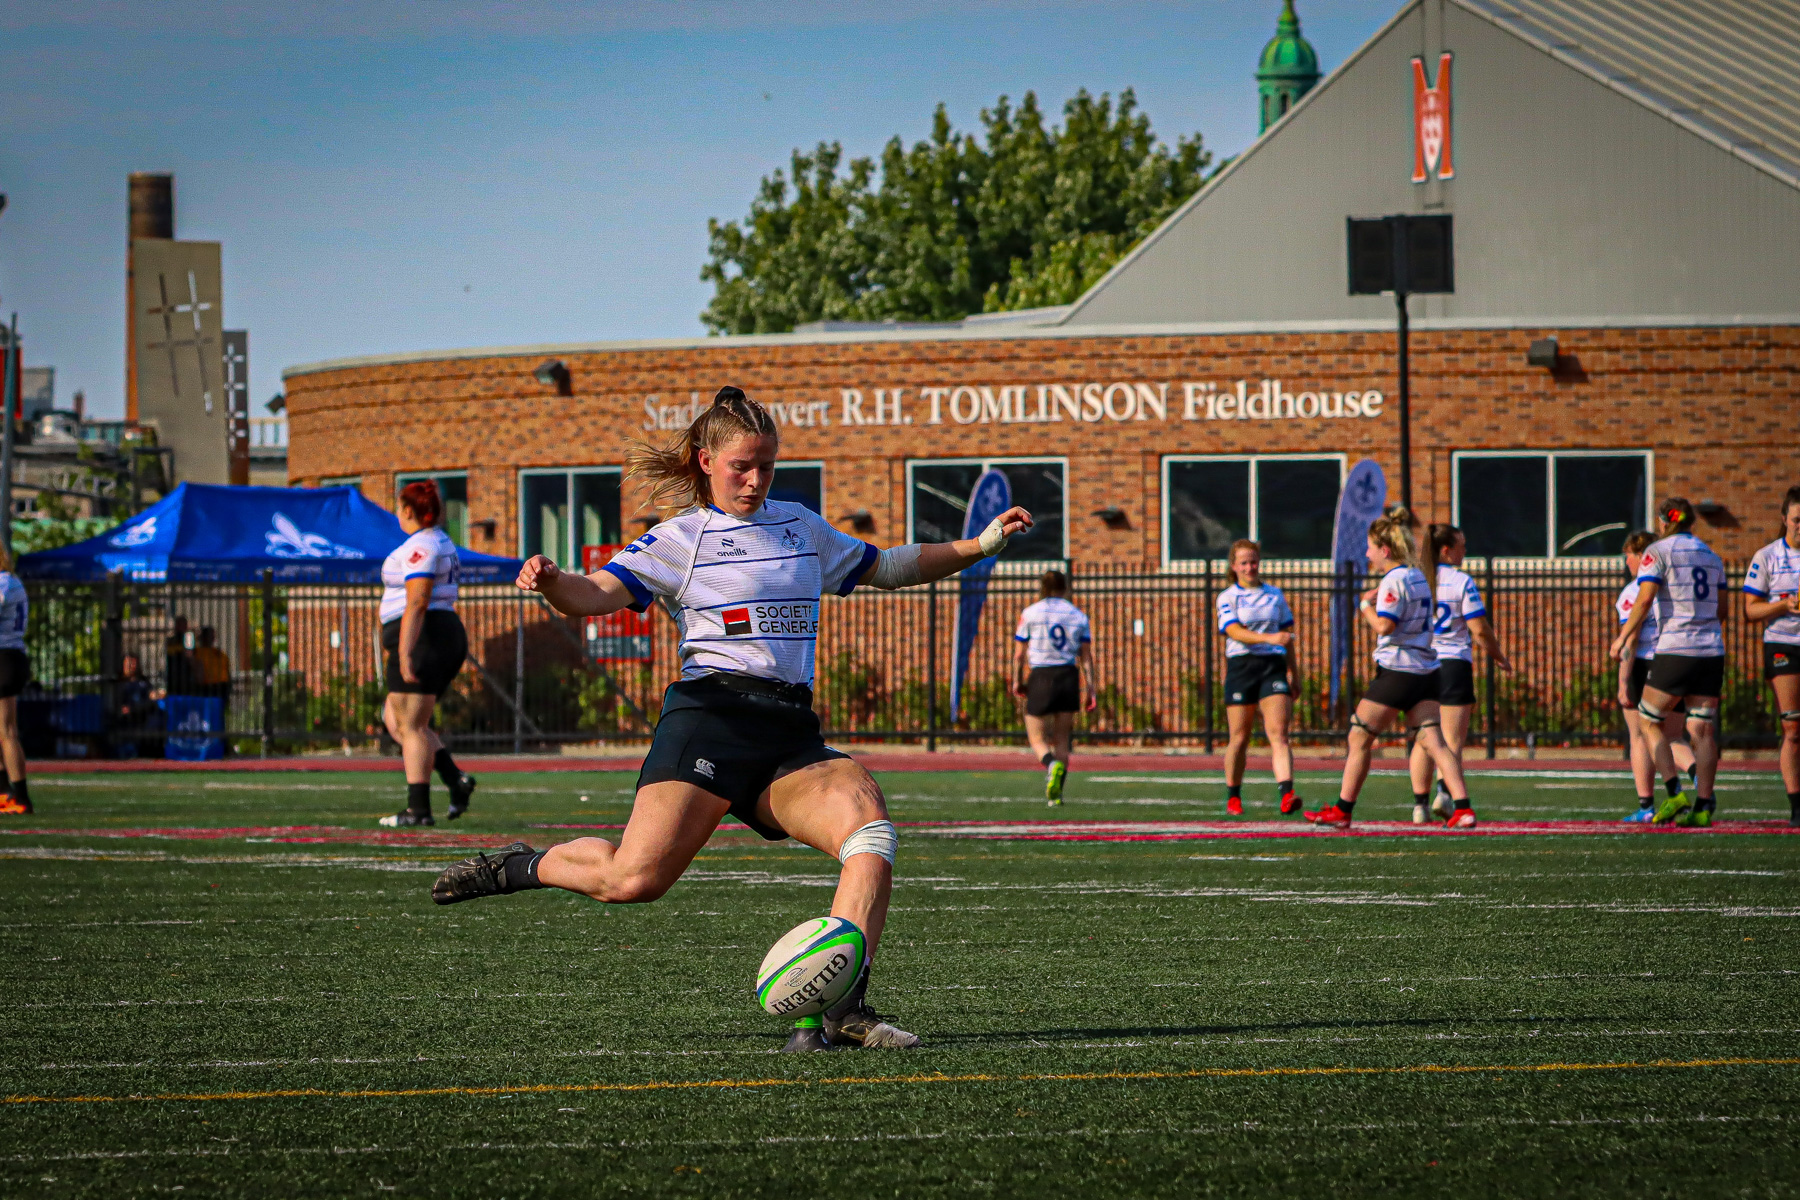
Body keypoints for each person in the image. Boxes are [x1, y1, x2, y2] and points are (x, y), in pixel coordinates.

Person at [431, 386, 1034, 1052]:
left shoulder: (801, 527)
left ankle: (844, 1007)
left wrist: (980, 543)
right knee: (633, 880)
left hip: (787, 732)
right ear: (705, 460)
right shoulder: (678, 539)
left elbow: (888, 565)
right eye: (741, 465)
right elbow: (593, 594)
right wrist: (549, 582)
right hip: (710, 720)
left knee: (870, 832)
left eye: (766, 466)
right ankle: (521, 867)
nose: (754, 479)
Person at [1307, 507, 1476, 830]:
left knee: (1359, 736)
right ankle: (1463, 808)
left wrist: (1365, 606)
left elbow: (1385, 626)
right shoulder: (1418, 576)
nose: (1367, 554)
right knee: (1434, 742)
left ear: (1385, 550)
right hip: (1427, 670)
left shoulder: (1393, 579)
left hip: (1398, 670)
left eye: (1370, 548)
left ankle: (1342, 811)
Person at [1609, 498, 1726, 827]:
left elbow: (1645, 598)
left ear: (1663, 522)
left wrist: (1621, 638)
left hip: (1676, 648)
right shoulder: (1711, 555)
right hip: (1711, 651)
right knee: (1701, 730)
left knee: (1647, 722)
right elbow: (1723, 611)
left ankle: (1674, 793)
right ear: (1692, 522)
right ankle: (1703, 806)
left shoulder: (1657, 552)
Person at [376, 479, 477, 827]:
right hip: (434, 633)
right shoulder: (434, 541)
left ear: (408, 510)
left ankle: (418, 809)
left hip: (426, 636)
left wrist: (405, 652)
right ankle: (455, 780)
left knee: (412, 725)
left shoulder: (422, 545)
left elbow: (417, 600)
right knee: (397, 721)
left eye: (399, 507)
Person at [1408, 524, 1512, 824]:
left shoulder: (1415, 579)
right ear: (1445, 550)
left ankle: (1419, 806)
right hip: (1453, 664)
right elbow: (1479, 628)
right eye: (1461, 546)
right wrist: (1499, 656)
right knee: (1450, 740)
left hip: (1421, 664)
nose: (1464, 551)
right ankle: (1444, 793)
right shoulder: (1460, 581)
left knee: (1424, 739)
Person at [1216, 539, 1301, 817]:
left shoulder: (1274, 595)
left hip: (1272, 666)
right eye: (1244, 562)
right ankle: (1233, 794)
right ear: (1234, 566)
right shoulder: (1228, 596)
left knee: (1279, 734)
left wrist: (1294, 672)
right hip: (1242, 666)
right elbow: (1235, 632)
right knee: (1239, 737)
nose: (1250, 567)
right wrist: (1269, 637)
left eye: (1253, 561)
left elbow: (1287, 639)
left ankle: (1287, 793)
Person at [1615, 531, 1696, 822]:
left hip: (1644, 666)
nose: (1627, 562)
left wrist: (1623, 681)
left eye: (1629, 555)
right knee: (1673, 735)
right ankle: (1699, 777)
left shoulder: (1634, 591)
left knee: (1639, 736)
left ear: (1642, 556)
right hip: (1673, 662)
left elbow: (1632, 638)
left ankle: (1647, 805)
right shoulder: (1672, 589)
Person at [1010, 569, 1095, 806]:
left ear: (1043, 587)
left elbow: (1019, 654)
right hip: (1068, 675)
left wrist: (1017, 680)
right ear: (1065, 587)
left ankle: (1050, 765)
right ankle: (1056, 796)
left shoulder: (1030, 613)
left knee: (1036, 737)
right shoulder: (1078, 615)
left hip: (1041, 675)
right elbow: (1086, 657)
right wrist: (1091, 689)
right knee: (1062, 739)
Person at [1742, 485, 1800, 826]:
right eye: (1796, 519)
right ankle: (1796, 805)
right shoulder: (1767, 556)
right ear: (1785, 519)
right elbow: (1750, 610)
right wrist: (1784, 603)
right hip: (1783, 644)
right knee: (1793, 726)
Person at [0, 550, 29, 814]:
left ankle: (20, 796)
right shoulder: (11, 581)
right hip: (10, 656)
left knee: (7, 730)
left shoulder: (4, 581)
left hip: (5, 657)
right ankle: (4, 792)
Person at [113, 652, 166, 758]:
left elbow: (152, 700)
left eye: (133, 663)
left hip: (144, 717)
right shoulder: (119, 684)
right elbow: (121, 708)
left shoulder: (144, 682)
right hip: (128, 721)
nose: (131, 666)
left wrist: (134, 709)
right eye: (128, 663)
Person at [163, 615, 194, 697]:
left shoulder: (188, 639)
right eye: (179, 624)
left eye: (183, 625)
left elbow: (189, 655)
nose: (181, 627)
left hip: (186, 676)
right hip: (173, 675)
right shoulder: (171, 640)